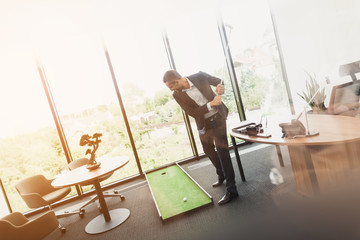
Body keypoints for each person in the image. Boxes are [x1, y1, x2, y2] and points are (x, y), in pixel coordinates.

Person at [163, 70, 238, 205]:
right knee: (208, 149)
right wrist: (210, 104)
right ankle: (221, 173)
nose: (171, 90)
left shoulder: (200, 76)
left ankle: (232, 190)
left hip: (218, 118)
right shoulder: (177, 95)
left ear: (177, 80)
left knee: (222, 152)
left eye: (171, 86)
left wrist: (220, 86)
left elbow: (219, 80)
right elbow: (191, 112)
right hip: (204, 123)